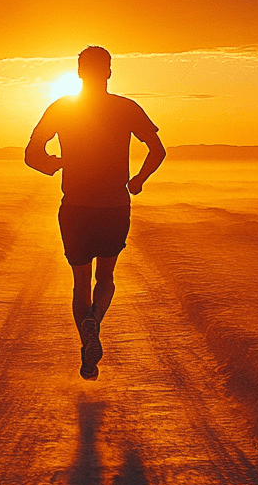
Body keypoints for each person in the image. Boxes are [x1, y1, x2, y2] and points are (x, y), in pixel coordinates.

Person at [25, 46, 166, 380]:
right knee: (106, 277)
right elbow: (158, 150)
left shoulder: (61, 109)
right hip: (114, 206)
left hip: (75, 206)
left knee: (79, 285)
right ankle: (96, 319)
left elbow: (31, 154)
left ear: (78, 72)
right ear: (109, 72)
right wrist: (138, 180)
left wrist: (56, 164)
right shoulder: (126, 108)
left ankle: (87, 344)